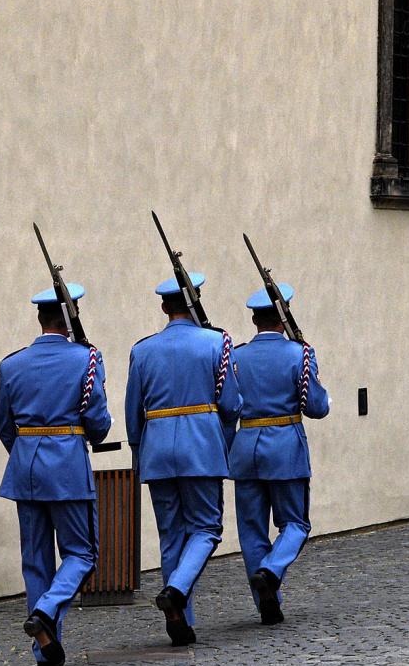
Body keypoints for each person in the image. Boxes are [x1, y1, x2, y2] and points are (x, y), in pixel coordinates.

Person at [0, 283, 111, 666]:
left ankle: (46, 647)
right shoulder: (87, 359)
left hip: (25, 468)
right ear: (71, 317)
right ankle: (45, 612)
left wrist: (29, 453)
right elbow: (97, 424)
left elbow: (4, 427)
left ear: (41, 319)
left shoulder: (11, 364)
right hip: (67, 469)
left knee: (36, 561)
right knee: (82, 552)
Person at [125, 272, 242, 645]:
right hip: (201, 446)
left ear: (164, 307)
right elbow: (231, 404)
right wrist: (221, 443)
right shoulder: (217, 342)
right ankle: (175, 592)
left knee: (171, 534)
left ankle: (180, 620)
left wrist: (139, 452)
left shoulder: (142, 350)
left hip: (157, 448)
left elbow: (132, 413)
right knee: (207, 529)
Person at [228, 284, 329, 625]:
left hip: (245, 448)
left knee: (252, 531)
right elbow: (316, 406)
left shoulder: (236, 357)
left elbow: (229, 405)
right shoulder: (299, 354)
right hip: (285, 445)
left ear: (255, 319)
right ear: (283, 317)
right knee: (296, 524)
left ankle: (265, 603)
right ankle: (271, 573)